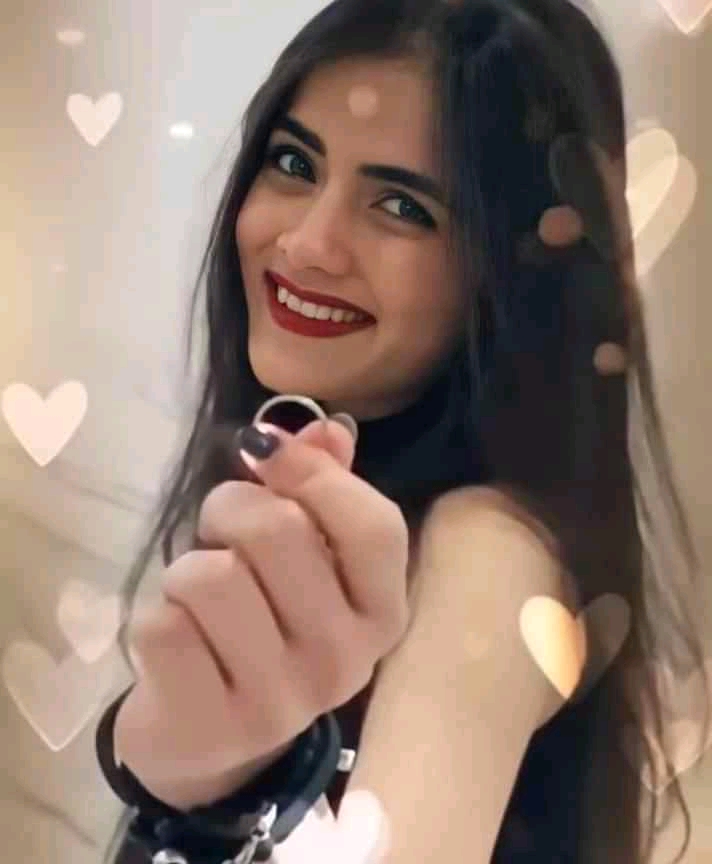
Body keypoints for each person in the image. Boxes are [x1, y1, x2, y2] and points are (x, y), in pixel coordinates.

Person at [96, 0, 708, 861]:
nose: (307, 244)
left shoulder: (487, 554)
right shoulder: (319, 485)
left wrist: (200, 790)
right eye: (293, 163)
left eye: (401, 206)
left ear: (510, 274)